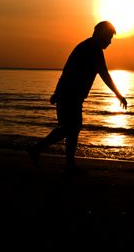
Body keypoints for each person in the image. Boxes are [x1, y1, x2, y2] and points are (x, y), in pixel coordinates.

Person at [27, 21, 127, 174]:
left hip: (71, 95)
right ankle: (39, 150)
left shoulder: (90, 48)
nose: (110, 42)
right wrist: (119, 95)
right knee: (70, 128)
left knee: (71, 129)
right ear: (100, 35)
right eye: (108, 37)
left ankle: (67, 163)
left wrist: (57, 92)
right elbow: (101, 74)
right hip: (69, 95)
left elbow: (70, 71)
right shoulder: (90, 49)